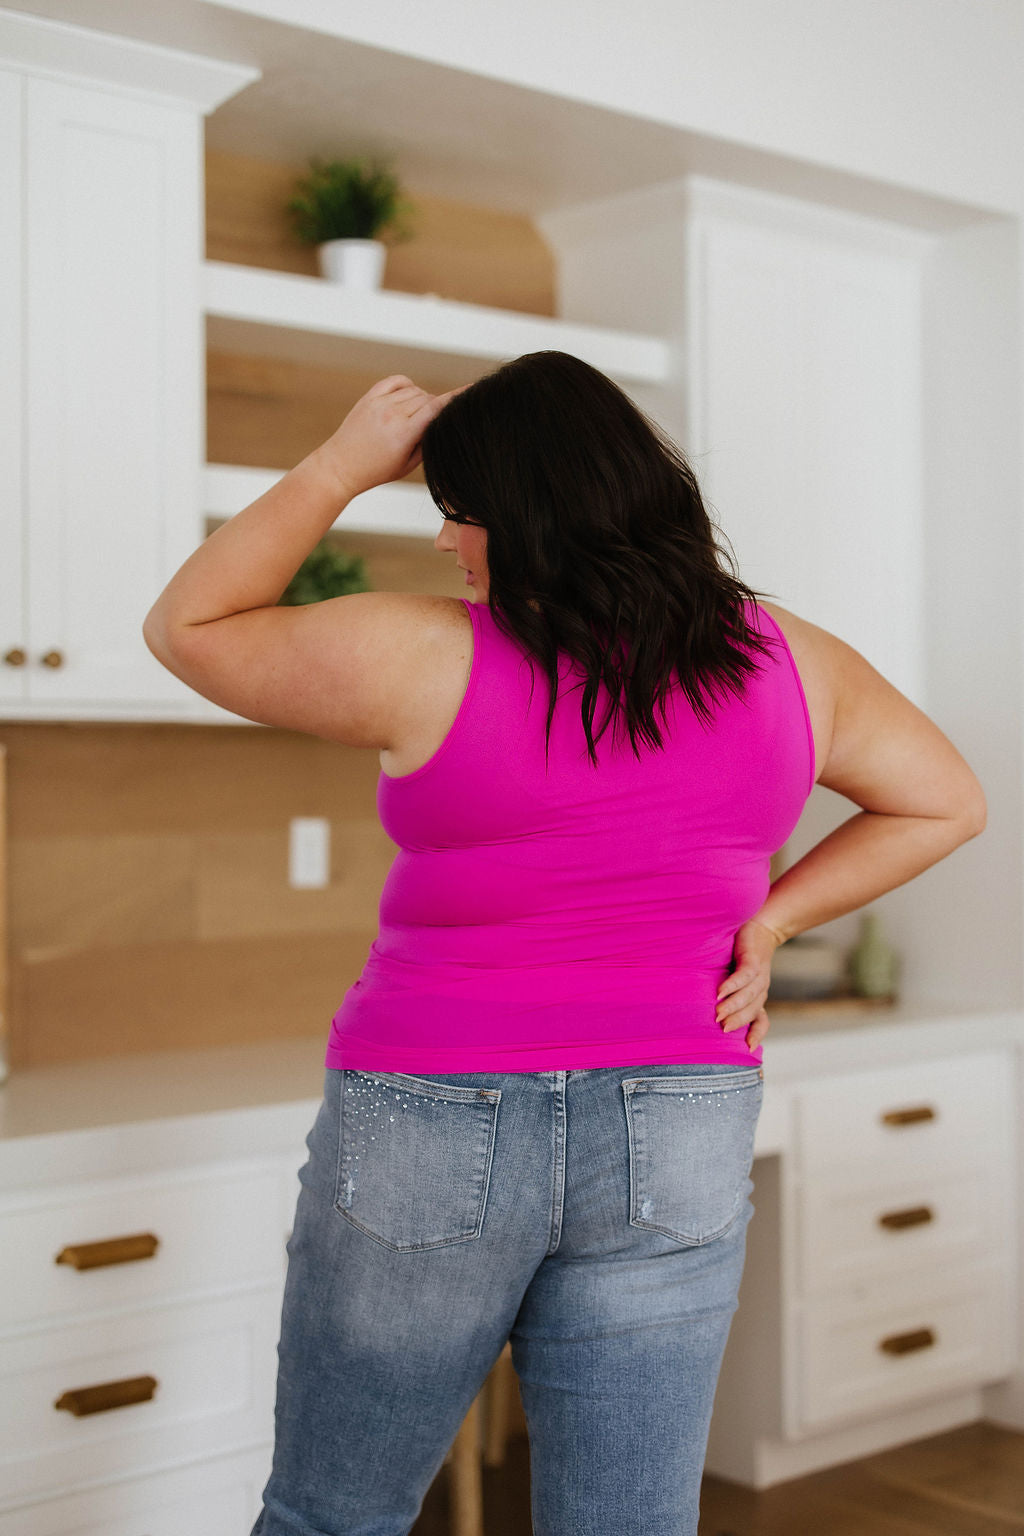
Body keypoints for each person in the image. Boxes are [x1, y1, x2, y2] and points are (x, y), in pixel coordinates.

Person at [143, 351, 986, 1535]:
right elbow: (945, 803)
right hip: (680, 1111)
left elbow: (189, 626)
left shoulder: (417, 652)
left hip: (432, 1111)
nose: (448, 539)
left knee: (335, 1515)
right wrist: (773, 918)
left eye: (459, 510)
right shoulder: (791, 658)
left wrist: (341, 465)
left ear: (526, 514)